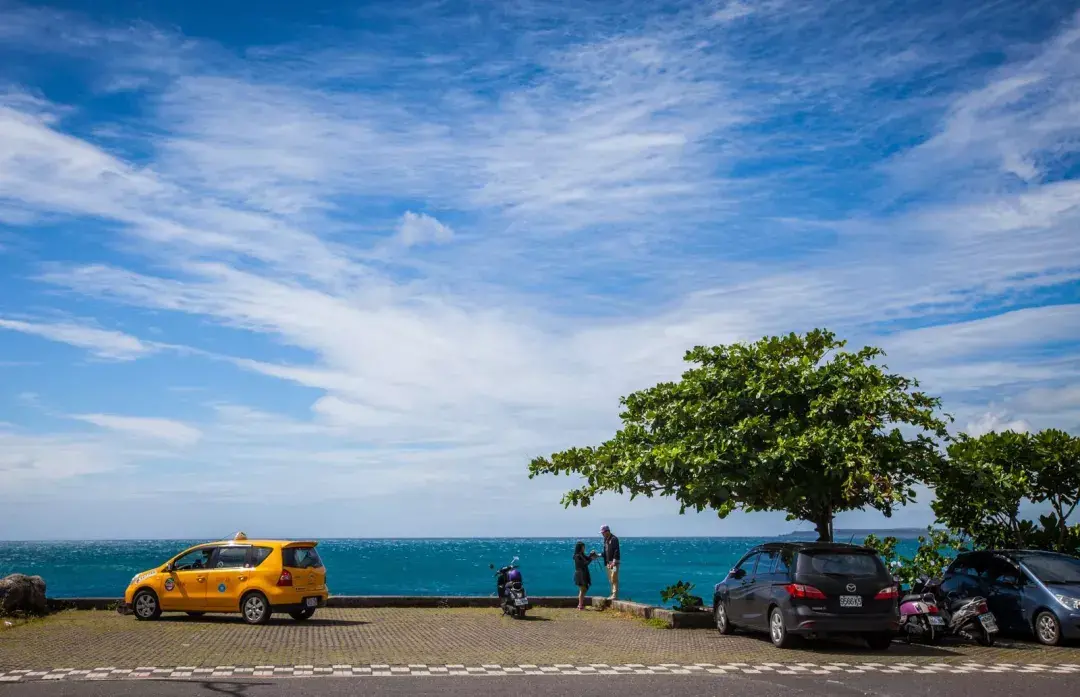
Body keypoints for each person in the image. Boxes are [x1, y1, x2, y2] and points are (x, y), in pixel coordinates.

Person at [572, 541, 598, 610]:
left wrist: (591, 555)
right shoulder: (577, 556)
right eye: (583, 547)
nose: (584, 548)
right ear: (580, 547)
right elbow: (584, 564)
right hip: (580, 573)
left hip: (584, 572)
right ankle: (580, 605)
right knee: (582, 589)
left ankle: (580, 604)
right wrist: (591, 559)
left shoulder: (581, 554)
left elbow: (587, 559)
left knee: (585, 588)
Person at [600, 525, 620, 600]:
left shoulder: (614, 539)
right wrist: (598, 555)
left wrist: (614, 562)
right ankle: (612, 594)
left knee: (614, 577)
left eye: (603, 532)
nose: (602, 534)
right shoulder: (605, 540)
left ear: (607, 531)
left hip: (614, 563)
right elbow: (605, 552)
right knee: (610, 579)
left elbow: (616, 550)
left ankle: (614, 595)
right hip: (608, 563)